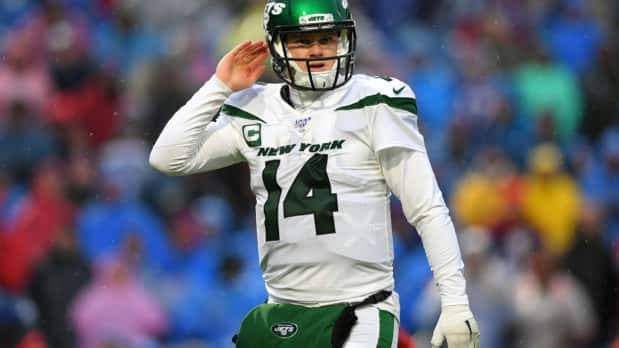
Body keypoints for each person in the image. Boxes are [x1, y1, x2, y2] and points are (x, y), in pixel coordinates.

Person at [149, 0, 480, 347]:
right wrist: (218, 86)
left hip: (359, 311)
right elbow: (168, 157)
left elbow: (427, 208)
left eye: (327, 38)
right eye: (303, 41)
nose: (318, 50)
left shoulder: (376, 101)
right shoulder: (255, 106)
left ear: (345, 40)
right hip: (281, 312)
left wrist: (455, 300)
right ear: (277, 46)